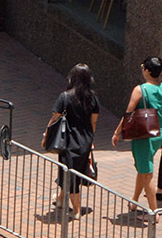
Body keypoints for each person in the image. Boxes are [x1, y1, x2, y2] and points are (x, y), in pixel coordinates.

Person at [41, 63, 100, 218]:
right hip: (85, 141)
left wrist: (46, 135)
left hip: (68, 141)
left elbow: (55, 118)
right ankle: (61, 200)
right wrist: (90, 139)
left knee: (70, 174)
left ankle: (77, 210)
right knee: (72, 171)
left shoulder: (65, 97)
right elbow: (93, 122)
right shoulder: (93, 98)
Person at [111, 56, 162, 214]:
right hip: (158, 133)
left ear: (147, 71)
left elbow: (128, 114)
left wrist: (117, 132)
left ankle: (153, 213)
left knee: (147, 174)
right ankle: (134, 201)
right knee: (143, 168)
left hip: (143, 135)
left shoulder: (140, 89)